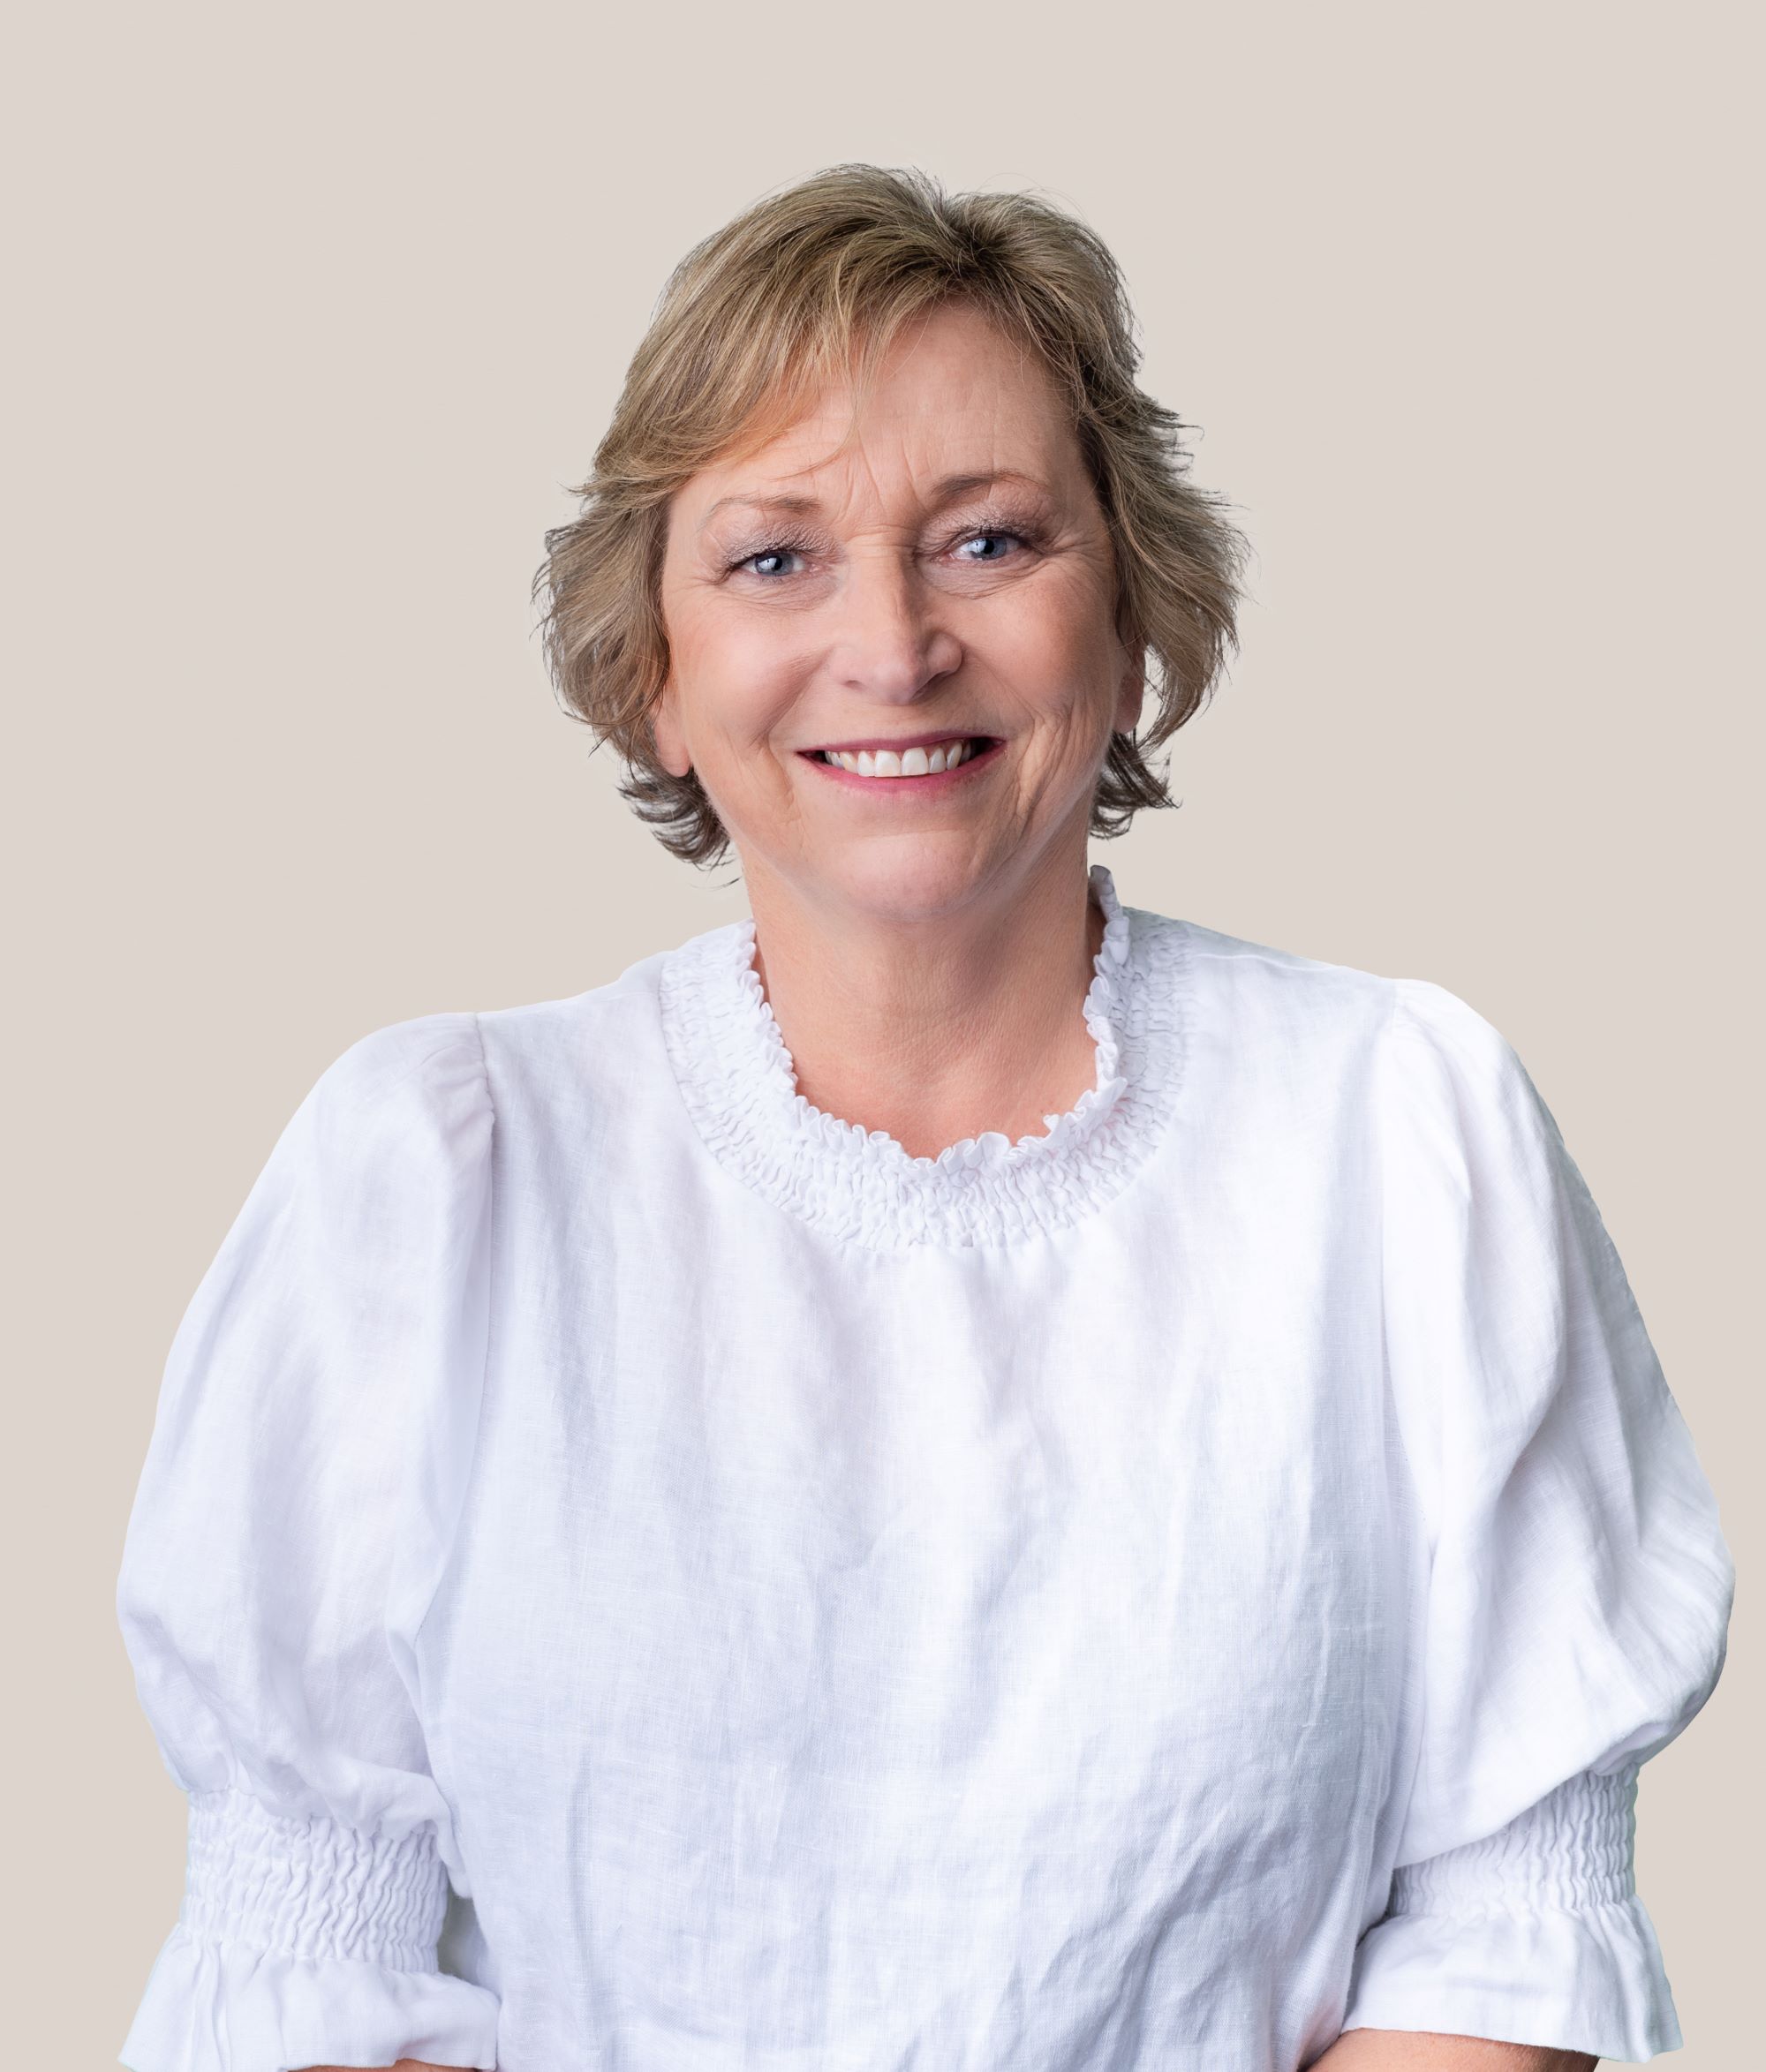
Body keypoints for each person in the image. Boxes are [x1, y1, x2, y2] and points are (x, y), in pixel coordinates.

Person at [115, 165, 1732, 2072]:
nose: (892, 647)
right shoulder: (436, 1173)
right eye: (773, 558)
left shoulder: (1399, 1135)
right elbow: (306, 1943)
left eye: (987, 540)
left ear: (1129, 621)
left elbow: (1507, 1932)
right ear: (654, 675)